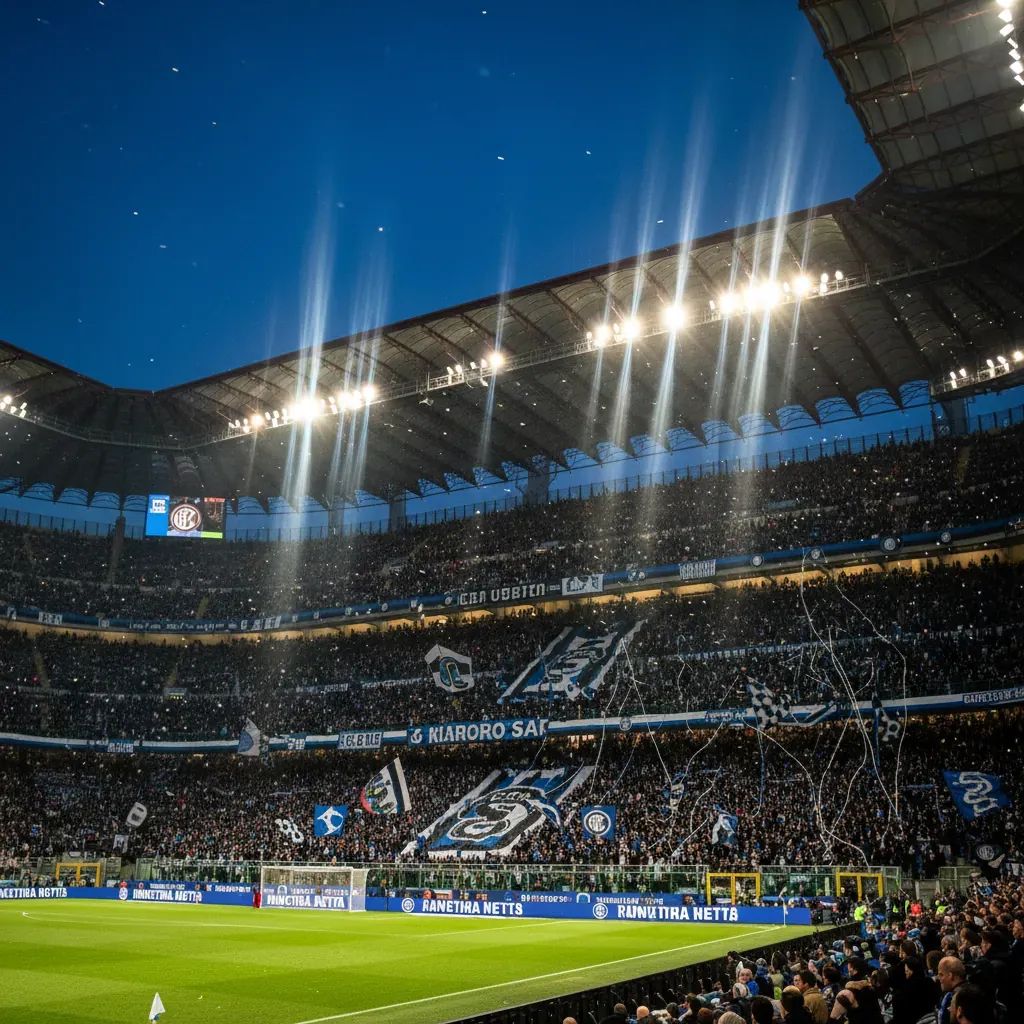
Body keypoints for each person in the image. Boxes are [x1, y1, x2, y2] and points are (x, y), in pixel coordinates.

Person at [936, 957, 966, 1024]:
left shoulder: (952, 998)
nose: (938, 979)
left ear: (950, 975)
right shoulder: (972, 990)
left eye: (941, 975)